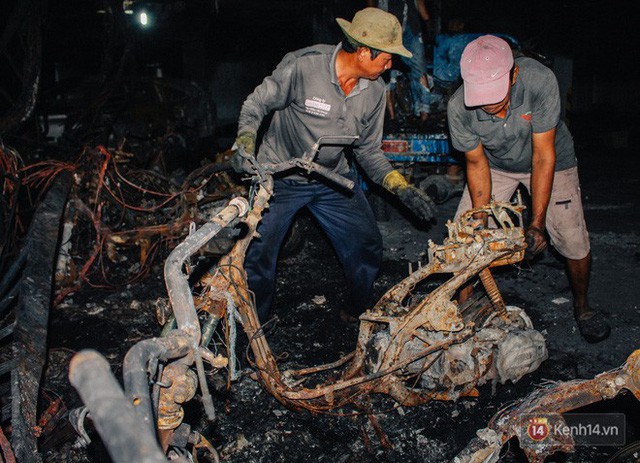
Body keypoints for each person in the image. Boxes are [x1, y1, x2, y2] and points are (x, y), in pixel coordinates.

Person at [230, 7, 437, 323]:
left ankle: (357, 311)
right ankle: (253, 329)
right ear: (364, 52)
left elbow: (368, 152)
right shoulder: (305, 67)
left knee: (367, 244)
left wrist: (401, 188)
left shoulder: (376, 91)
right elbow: (256, 104)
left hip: (332, 178)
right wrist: (245, 141)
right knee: (258, 254)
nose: (390, 64)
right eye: (386, 57)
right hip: (279, 178)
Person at [447, 35, 610, 343]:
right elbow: (476, 165)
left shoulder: (539, 80)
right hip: (495, 166)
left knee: (570, 235)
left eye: (498, 98)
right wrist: (480, 220)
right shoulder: (458, 108)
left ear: (514, 74)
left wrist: (536, 223)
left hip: (552, 158)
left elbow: (542, 155)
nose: (492, 109)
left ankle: (583, 306)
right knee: (465, 237)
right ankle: (462, 309)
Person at [367, 0, 434, 122]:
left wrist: (427, 22)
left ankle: (424, 116)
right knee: (386, 70)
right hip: (387, 28)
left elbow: (420, 4)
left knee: (419, 70)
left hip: (411, 28)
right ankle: (391, 116)